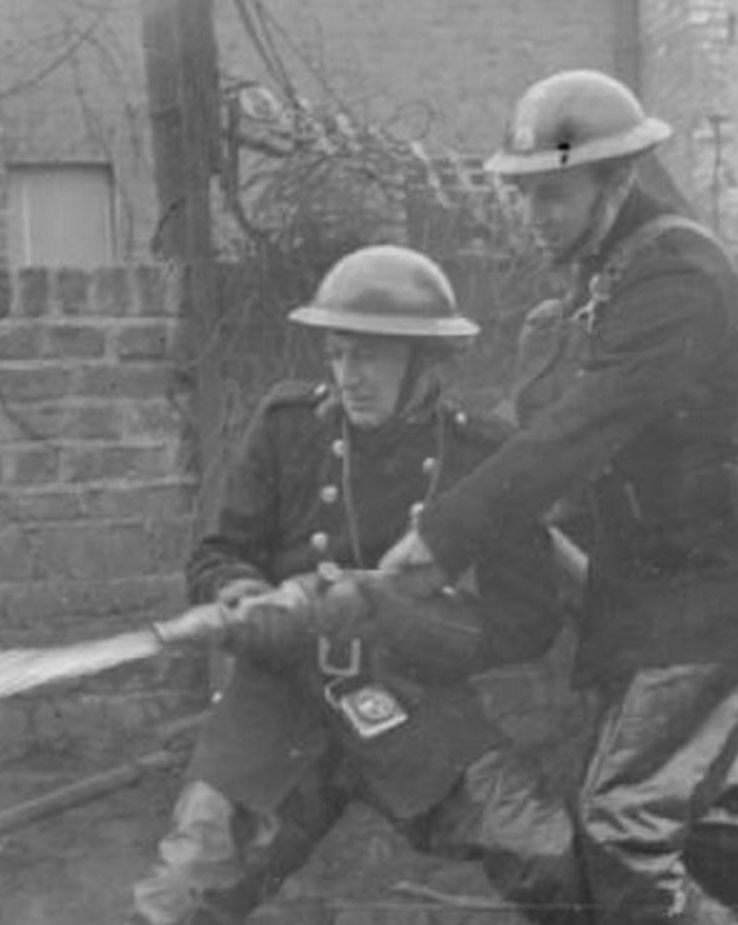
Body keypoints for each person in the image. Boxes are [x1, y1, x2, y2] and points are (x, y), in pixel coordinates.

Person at [379, 70, 738, 925]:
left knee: (624, 826)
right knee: (712, 817)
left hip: (710, 598)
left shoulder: (677, 280)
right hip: (650, 596)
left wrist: (444, 536)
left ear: (617, 180)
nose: (534, 214)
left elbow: (581, 429)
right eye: (525, 194)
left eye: (552, 194)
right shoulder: (607, 278)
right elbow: (545, 427)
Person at [128, 245, 589, 925]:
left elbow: (525, 621)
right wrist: (246, 598)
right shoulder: (287, 427)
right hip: (280, 703)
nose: (350, 377)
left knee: (545, 852)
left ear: (426, 363)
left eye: (370, 357)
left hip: (411, 702)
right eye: (339, 355)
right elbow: (218, 555)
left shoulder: (482, 456)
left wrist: (395, 612)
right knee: (186, 889)